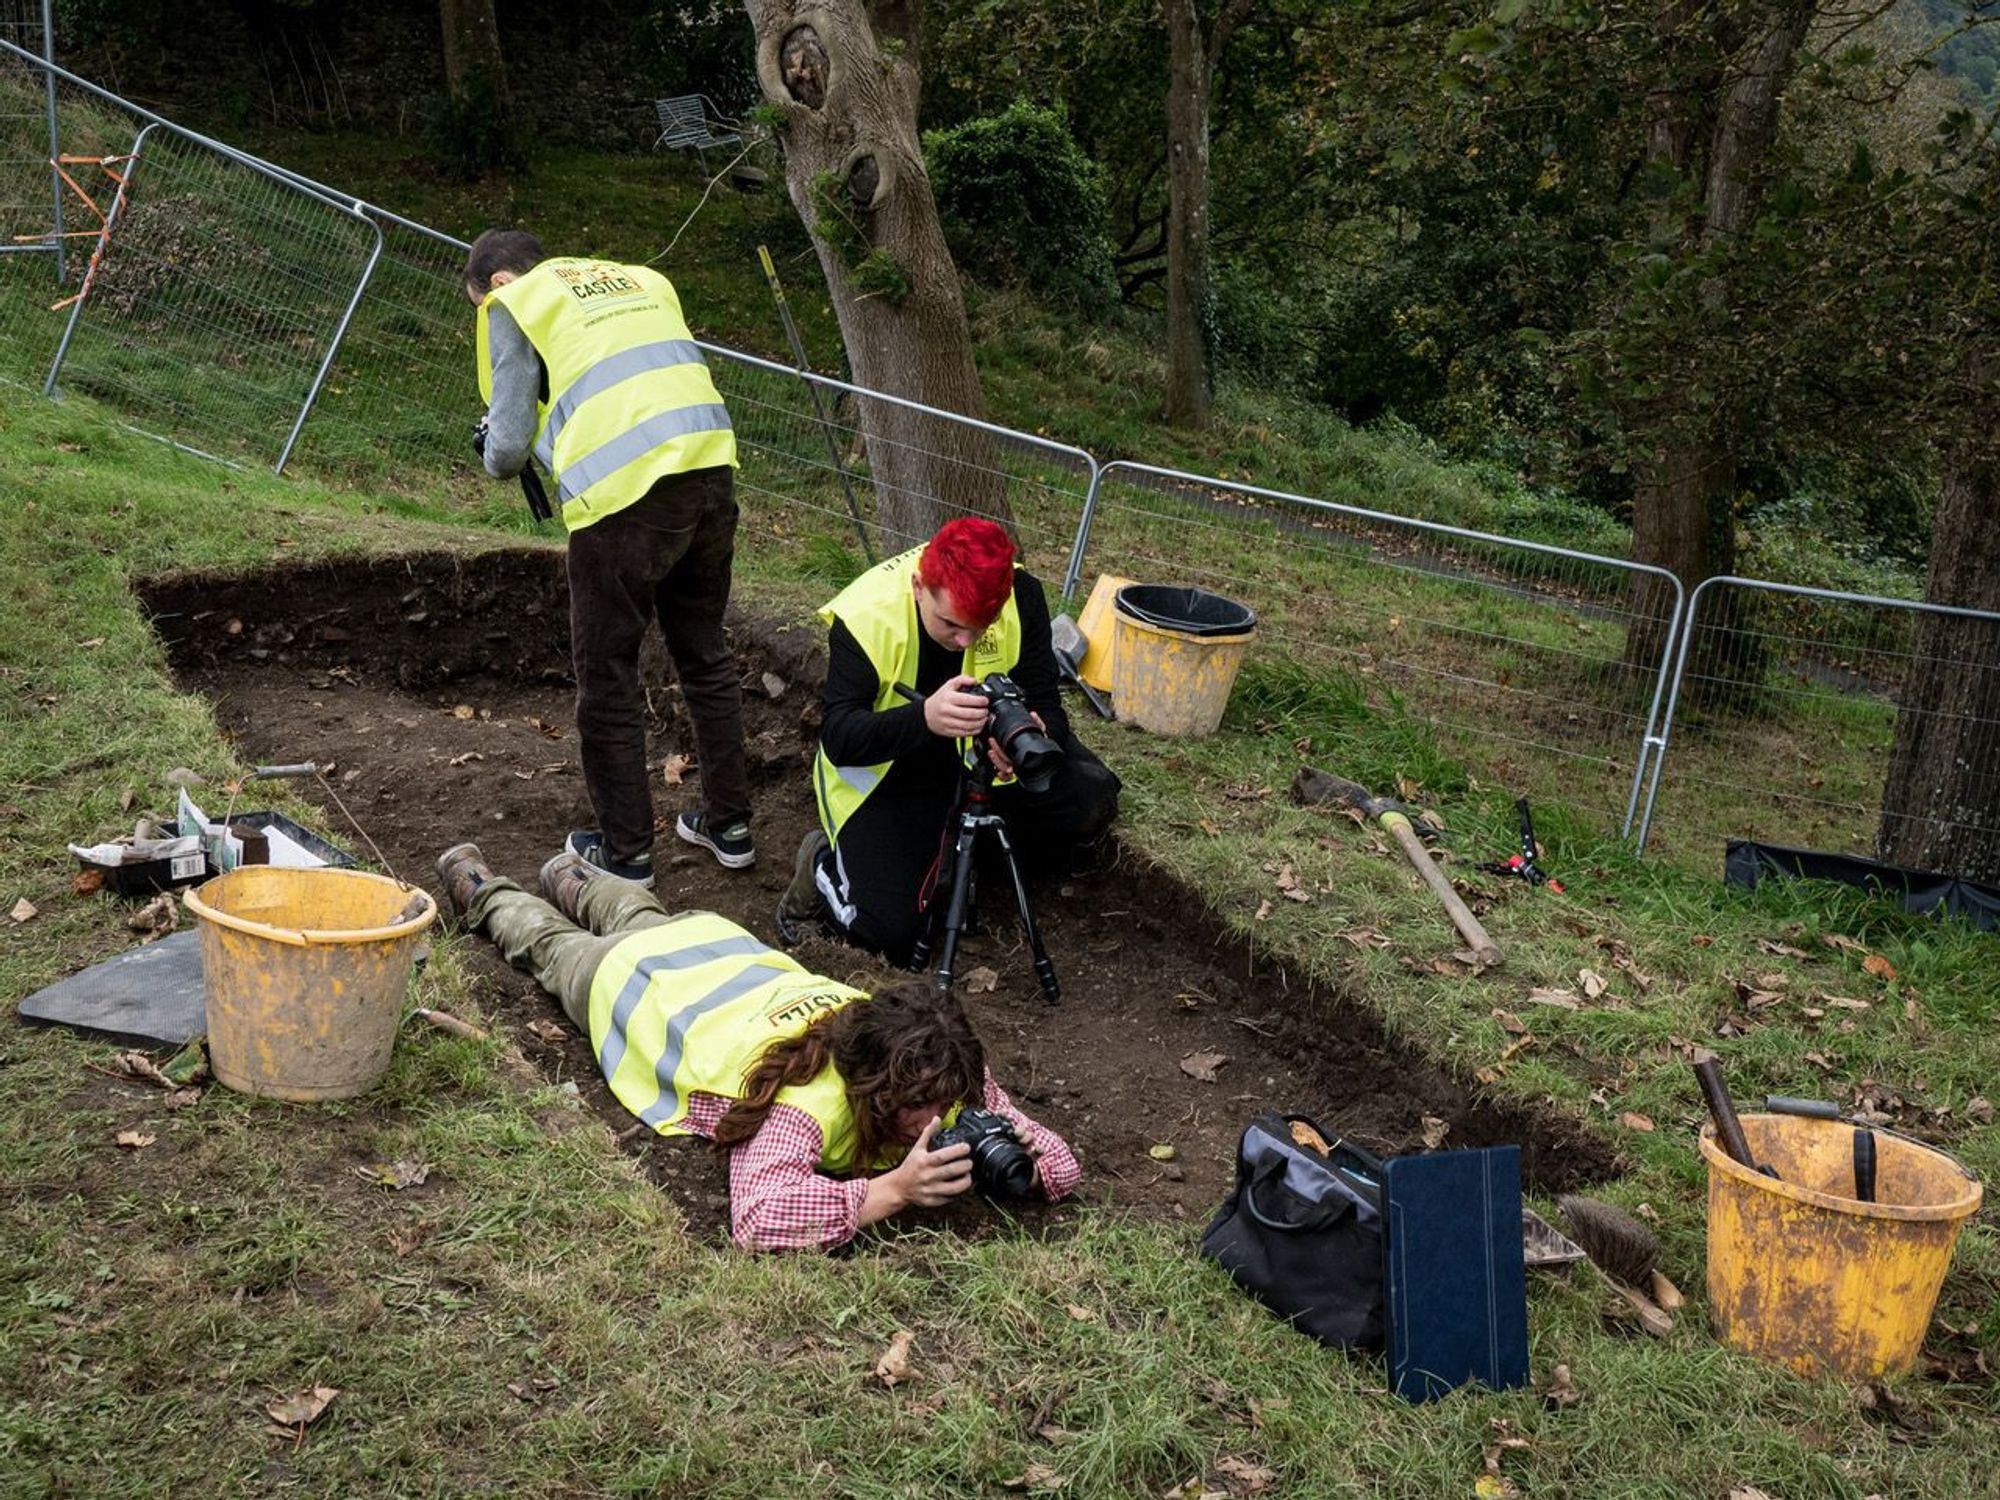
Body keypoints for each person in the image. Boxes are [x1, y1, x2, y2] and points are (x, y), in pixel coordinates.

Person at [436, 842, 1080, 1253]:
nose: (939, 1119)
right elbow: (759, 1217)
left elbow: (1058, 1159)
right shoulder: (809, 1107)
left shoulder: (931, 1063)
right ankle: (485, 887)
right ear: (873, 1086)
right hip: (638, 986)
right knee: (556, 950)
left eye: (952, 1102)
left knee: (648, 918)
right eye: (921, 1107)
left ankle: (574, 875)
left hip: (715, 947)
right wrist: (891, 1193)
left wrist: (1012, 1161)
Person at [465, 227, 754, 886]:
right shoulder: (638, 279)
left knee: (607, 673)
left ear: (500, 284)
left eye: (478, 304)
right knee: (704, 653)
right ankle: (729, 824)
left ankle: (625, 852)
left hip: (625, 499)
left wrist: (489, 445)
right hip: (710, 470)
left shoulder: (515, 305)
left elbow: (507, 448)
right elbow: (612, 399)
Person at [777, 516, 1121, 963]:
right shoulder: (866, 616)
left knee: (1088, 799)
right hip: (894, 770)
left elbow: (1046, 701)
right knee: (889, 934)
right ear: (919, 586)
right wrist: (924, 718)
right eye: (951, 625)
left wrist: (1032, 736)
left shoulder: (1022, 595)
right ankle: (824, 862)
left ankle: (953, 853)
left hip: (978, 763)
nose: (965, 642)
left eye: (980, 629)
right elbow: (840, 738)